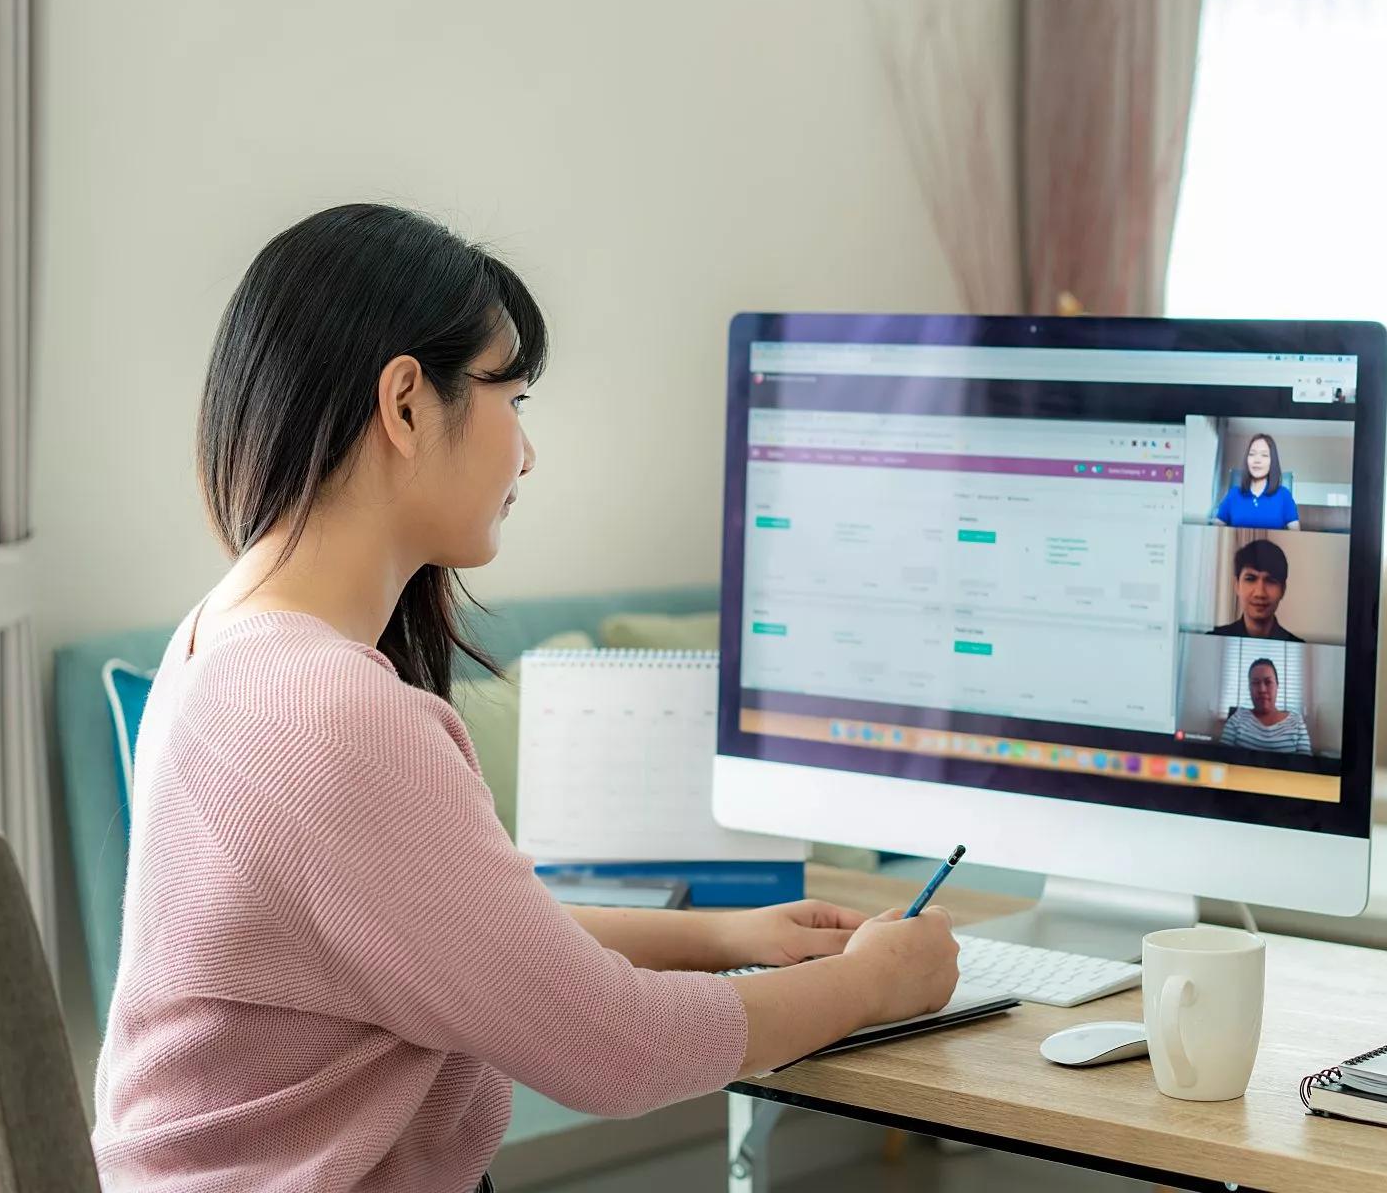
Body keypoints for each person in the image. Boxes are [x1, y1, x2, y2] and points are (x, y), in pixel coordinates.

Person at [91, 205, 959, 1193]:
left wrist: (719, 937)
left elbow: (472, 937)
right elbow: (616, 1046)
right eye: (515, 397)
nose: (527, 454)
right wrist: (875, 982)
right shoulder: (336, 716)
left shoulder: (224, 636)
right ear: (408, 403)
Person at [1209, 538, 1305, 642]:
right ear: (1237, 585)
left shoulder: (1296, 643)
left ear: (1283, 589)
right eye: (1250, 579)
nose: (1260, 593)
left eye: (1271, 581)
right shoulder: (1213, 638)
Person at [1219, 657, 1312, 754]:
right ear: (1249, 688)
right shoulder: (1236, 719)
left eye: (1268, 682)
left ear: (1277, 686)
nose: (1262, 689)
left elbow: (1306, 765)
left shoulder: (1296, 722)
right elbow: (1221, 760)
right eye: (1255, 683)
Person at [1211, 432, 1300, 530]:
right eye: (1252, 454)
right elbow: (1215, 533)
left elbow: (1297, 538)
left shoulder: (1284, 496)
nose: (1257, 460)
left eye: (1264, 455)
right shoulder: (1233, 494)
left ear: (1272, 461)